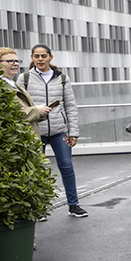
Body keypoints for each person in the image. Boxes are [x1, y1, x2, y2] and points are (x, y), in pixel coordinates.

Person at [20, 44, 88, 218]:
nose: (40, 59)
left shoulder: (62, 78)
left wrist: (73, 132)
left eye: (43, 56)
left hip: (60, 131)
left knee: (66, 167)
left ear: (51, 57)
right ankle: (39, 209)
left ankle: (74, 205)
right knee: (37, 170)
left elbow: (71, 106)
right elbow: (19, 106)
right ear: (32, 58)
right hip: (35, 131)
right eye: (36, 56)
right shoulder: (24, 78)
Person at [0, 47, 49, 135]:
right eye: (10, 61)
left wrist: (42, 112)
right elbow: (8, 116)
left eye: (17, 61)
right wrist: (36, 111)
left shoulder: (15, 85)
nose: (16, 64)